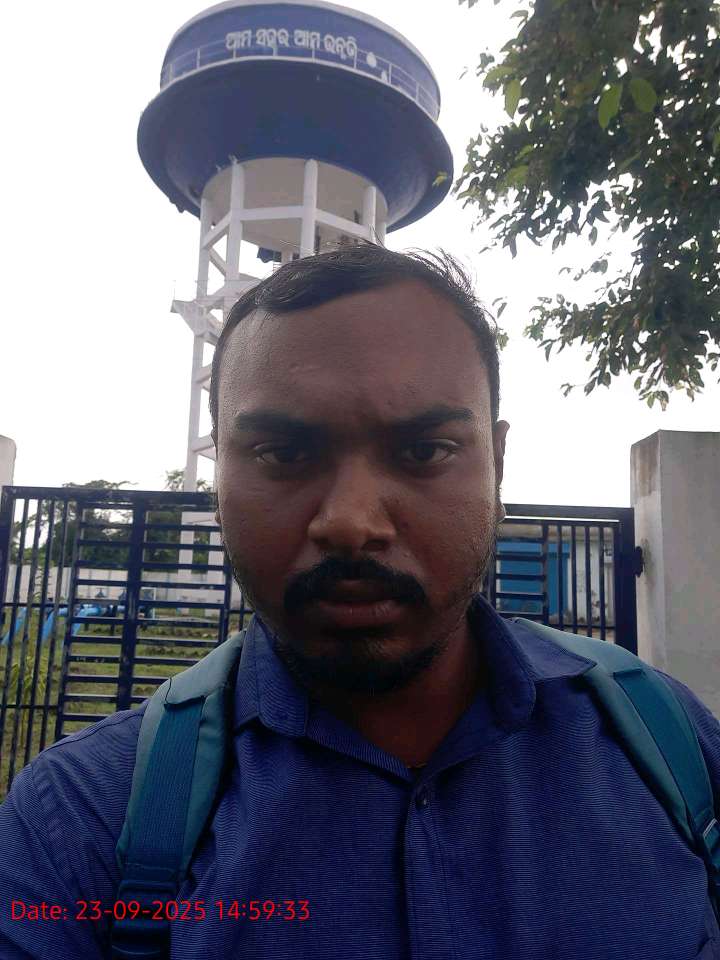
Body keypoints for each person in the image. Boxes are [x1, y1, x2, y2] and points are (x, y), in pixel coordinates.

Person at [1, 240, 719, 960]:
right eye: (284, 454)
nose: (350, 522)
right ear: (220, 471)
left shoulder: (673, 747)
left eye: (424, 450)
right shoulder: (81, 817)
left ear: (497, 464)